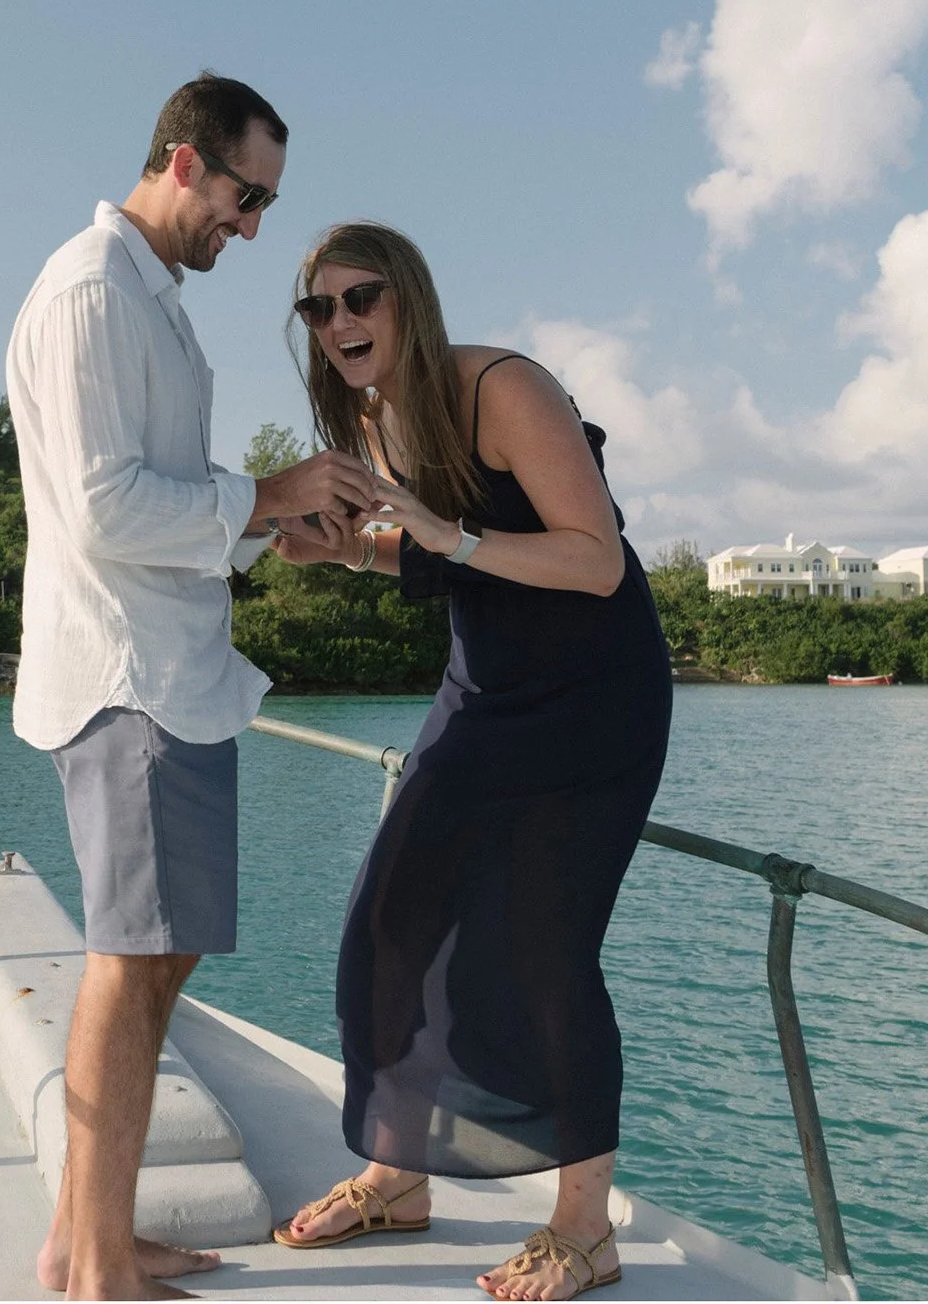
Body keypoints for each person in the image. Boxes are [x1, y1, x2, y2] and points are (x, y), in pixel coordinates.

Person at [5, 73, 380, 1300]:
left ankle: (83, 1237)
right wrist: (264, 493)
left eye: (264, 201)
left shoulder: (141, 296)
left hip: (169, 671)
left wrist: (275, 532)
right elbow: (105, 504)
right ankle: (97, 1265)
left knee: (157, 957)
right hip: (131, 679)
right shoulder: (88, 292)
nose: (253, 225)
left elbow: (160, 498)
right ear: (180, 159)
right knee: (131, 957)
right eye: (243, 193)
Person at [264, 222, 673, 1303]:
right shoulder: (366, 411)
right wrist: (347, 547)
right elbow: (438, 544)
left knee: (545, 949)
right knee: (391, 918)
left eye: (361, 299)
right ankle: (397, 1175)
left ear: (408, 299)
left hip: (592, 700)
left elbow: (589, 560)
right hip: (482, 689)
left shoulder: (499, 386)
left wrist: (439, 537)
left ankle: (583, 1229)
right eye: (319, 308)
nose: (341, 322)